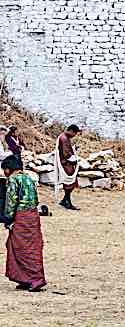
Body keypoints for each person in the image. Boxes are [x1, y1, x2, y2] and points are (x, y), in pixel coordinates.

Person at [4, 154, 46, 291]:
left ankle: (34, 279)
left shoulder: (13, 179)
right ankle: (25, 279)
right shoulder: (29, 178)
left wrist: (8, 219)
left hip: (21, 217)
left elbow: (11, 202)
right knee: (32, 247)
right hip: (33, 216)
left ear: (9, 168)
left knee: (22, 248)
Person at [55, 124, 81, 210]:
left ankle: (65, 200)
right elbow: (66, 154)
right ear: (71, 131)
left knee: (70, 183)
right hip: (66, 163)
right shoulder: (64, 138)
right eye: (75, 133)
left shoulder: (64, 137)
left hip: (66, 163)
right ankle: (67, 202)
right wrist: (75, 160)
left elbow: (67, 150)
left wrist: (73, 149)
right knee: (69, 183)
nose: (74, 136)